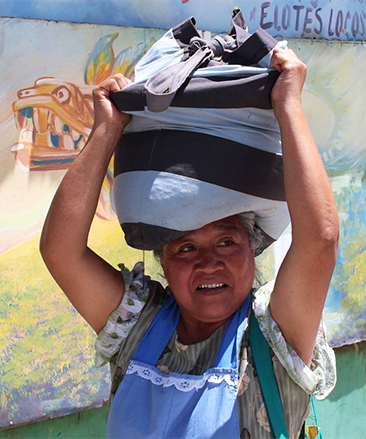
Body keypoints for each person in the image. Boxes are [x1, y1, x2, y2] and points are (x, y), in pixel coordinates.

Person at [40, 47, 338, 438]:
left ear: (254, 248)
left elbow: (321, 238)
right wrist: (106, 130)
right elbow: (61, 252)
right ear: (162, 263)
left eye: (227, 241)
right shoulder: (138, 328)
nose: (208, 263)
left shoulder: (272, 337)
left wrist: (288, 106)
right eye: (185, 248)